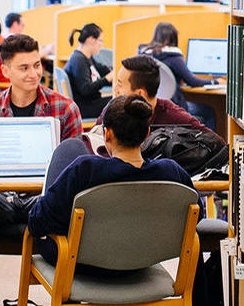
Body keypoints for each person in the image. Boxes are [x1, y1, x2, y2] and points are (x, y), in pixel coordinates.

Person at [0, 34, 84, 306]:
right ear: (5, 71)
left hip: (44, 199)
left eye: (37, 65)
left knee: (73, 210)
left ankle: (68, 296)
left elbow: (76, 169)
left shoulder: (65, 109)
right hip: (1, 198)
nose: (34, 73)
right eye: (24, 68)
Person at [28, 93, 196, 265]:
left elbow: (39, 220)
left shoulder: (85, 170)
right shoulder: (172, 172)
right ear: (147, 134)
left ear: (107, 134)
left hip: (79, 264)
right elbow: (196, 215)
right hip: (141, 263)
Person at [97, 55, 216, 138]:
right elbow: (92, 139)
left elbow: (213, 140)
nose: (115, 89)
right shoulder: (113, 109)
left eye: (120, 84)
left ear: (140, 94)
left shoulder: (172, 116)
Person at [142, 22, 219, 129]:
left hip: (151, 106)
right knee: (209, 111)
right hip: (172, 106)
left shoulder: (144, 56)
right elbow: (193, 81)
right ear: (174, 38)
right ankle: (212, 144)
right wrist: (216, 82)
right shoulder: (174, 57)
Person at [63, 23, 114, 117]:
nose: (101, 45)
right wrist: (107, 79)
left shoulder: (87, 57)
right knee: (118, 102)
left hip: (90, 103)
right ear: (91, 39)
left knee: (118, 100)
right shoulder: (79, 60)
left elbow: (102, 70)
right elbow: (86, 89)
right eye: (100, 41)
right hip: (84, 107)